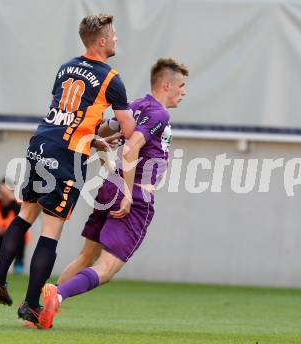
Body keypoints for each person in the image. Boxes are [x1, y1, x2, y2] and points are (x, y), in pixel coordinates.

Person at [0, 13, 136, 325]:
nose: (117, 39)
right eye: (115, 35)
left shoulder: (66, 66)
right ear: (103, 40)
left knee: (25, 214)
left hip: (41, 142)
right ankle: (30, 303)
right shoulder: (111, 78)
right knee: (51, 232)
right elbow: (128, 125)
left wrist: (90, 137)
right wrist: (114, 134)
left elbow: (67, 111)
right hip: (67, 156)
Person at [38, 58, 189, 330]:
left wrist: (106, 150)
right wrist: (129, 194)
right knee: (106, 269)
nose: (183, 91)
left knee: (86, 256)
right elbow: (131, 150)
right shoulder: (159, 114)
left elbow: (105, 128)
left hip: (111, 185)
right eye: (181, 85)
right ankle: (57, 295)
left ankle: (42, 309)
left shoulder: (135, 106)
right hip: (135, 194)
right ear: (166, 85)